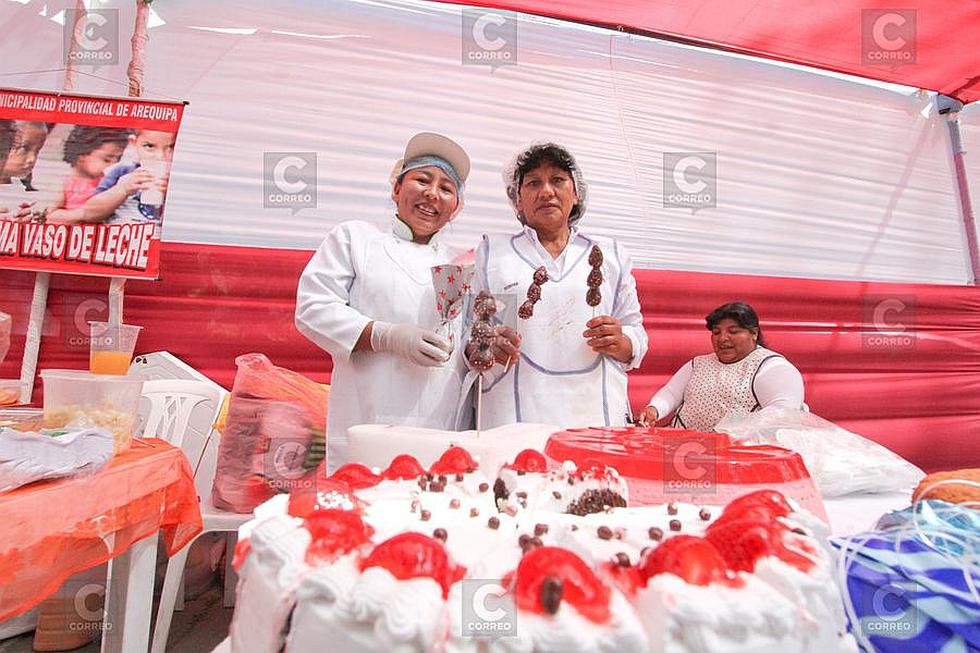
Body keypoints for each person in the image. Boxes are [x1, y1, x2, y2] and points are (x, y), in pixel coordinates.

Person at [295, 132, 471, 471]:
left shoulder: (462, 267)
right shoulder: (356, 239)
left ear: (456, 208)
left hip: (440, 431)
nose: (432, 193)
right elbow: (313, 308)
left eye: (446, 188)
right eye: (422, 180)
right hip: (366, 424)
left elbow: (474, 346)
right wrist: (385, 336)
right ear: (396, 188)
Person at [464, 142, 647, 428]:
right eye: (533, 183)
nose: (546, 191)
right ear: (517, 200)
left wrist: (622, 341)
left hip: (594, 414)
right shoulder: (495, 254)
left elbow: (636, 334)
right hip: (513, 416)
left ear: (576, 193)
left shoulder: (610, 255)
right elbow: (472, 333)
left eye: (558, 180)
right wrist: (486, 345)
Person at [637, 301, 805, 430]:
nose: (722, 338)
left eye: (733, 331)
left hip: (739, 455)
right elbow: (671, 393)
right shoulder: (698, 364)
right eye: (716, 332)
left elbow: (783, 415)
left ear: (754, 333)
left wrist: (729, 434)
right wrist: (654, 409)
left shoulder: (772, 367)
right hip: (683, 450)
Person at [81, 128, 175, 224]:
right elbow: (89, 214)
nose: (160, 156)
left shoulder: (179, 178)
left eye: (171, 147)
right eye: (149, 146)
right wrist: (123, 189)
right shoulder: (122, 171)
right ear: (134, 142)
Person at [47, 125, 128, 224]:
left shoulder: (110, 181)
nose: (114, 165)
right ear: (81, 155)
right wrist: (84, 214)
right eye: (107, 159)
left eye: (118, 159)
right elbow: (51, 216)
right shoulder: (66, 183)